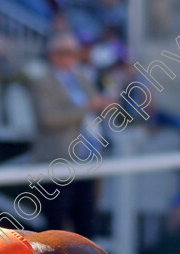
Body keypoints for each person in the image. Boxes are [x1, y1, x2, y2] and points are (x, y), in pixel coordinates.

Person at [28, 33, 113, 238]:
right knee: (55, 226)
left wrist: (104, 105)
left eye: (73, 53)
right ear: (52, 55)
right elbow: (47, 119)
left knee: (86, 221)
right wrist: (85, 108)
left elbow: (94, 106)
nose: (70, 57)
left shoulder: (82, 77)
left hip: (86, 159)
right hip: (57, 160)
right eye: (64, 53)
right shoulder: (42, 82)